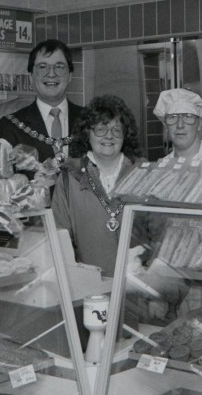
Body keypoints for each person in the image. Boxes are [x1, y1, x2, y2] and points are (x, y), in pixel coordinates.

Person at [52, 95, 141, 278]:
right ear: (87, 133)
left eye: (117, 129)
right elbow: (60, 239)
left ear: (126, 134)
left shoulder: (142, 175)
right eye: (100, 128)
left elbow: (156, 236)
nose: (109, 136)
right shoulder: (69, 178)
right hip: (86, 288)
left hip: (138, 289)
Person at [0, 39, 86, 168]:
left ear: (70, 75)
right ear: (31, 77)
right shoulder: (11, 126)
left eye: (59, 67)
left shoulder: (91, 120)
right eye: (42, 67)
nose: (51, 73)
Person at [153, 88, 202, 164]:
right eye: (173, 117)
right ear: (166, 125)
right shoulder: (162, 166)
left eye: (188, 117)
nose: (180, 125)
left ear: (199, 124)